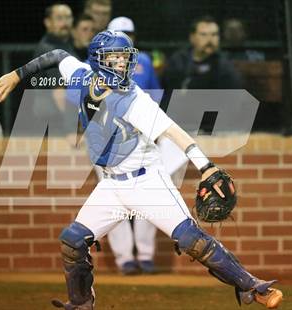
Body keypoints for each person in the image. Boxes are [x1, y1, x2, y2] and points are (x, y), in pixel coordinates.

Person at [0, 31, 283, 310]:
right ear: (97, 60)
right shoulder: (81, 76)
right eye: (114, 57)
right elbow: (56, 55)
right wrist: (17, 74)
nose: (122, 63)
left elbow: (174, 132)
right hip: (110, 184)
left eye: (124, 57)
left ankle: (252, 286)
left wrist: (205, 166)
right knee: (72, 241)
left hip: (147, 180)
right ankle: (81, 303)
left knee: (190, 239)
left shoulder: (133, 97)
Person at [106, 16, 161, 275]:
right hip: (108, 139)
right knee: (114, 196)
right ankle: (125, 258)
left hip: (142, 136)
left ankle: (146, 255)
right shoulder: (94, 64)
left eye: (128, 35)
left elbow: (156, 97)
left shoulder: (145, 62)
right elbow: (77, 98)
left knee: (148, 192)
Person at [162, 15, 242, 105]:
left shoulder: (225, 67)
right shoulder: (178, 61)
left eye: (214, 34)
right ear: (192, 37)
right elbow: (165, 93)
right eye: (204, 34)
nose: (210, 39)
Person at [33, 3, 77, 138]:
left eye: (68, 17)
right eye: (59, 18)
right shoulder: (50, 49)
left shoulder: (65, 45)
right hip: (55, 124)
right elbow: (59, 92)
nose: (65, 22)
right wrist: (73, 126)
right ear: (48, 22)